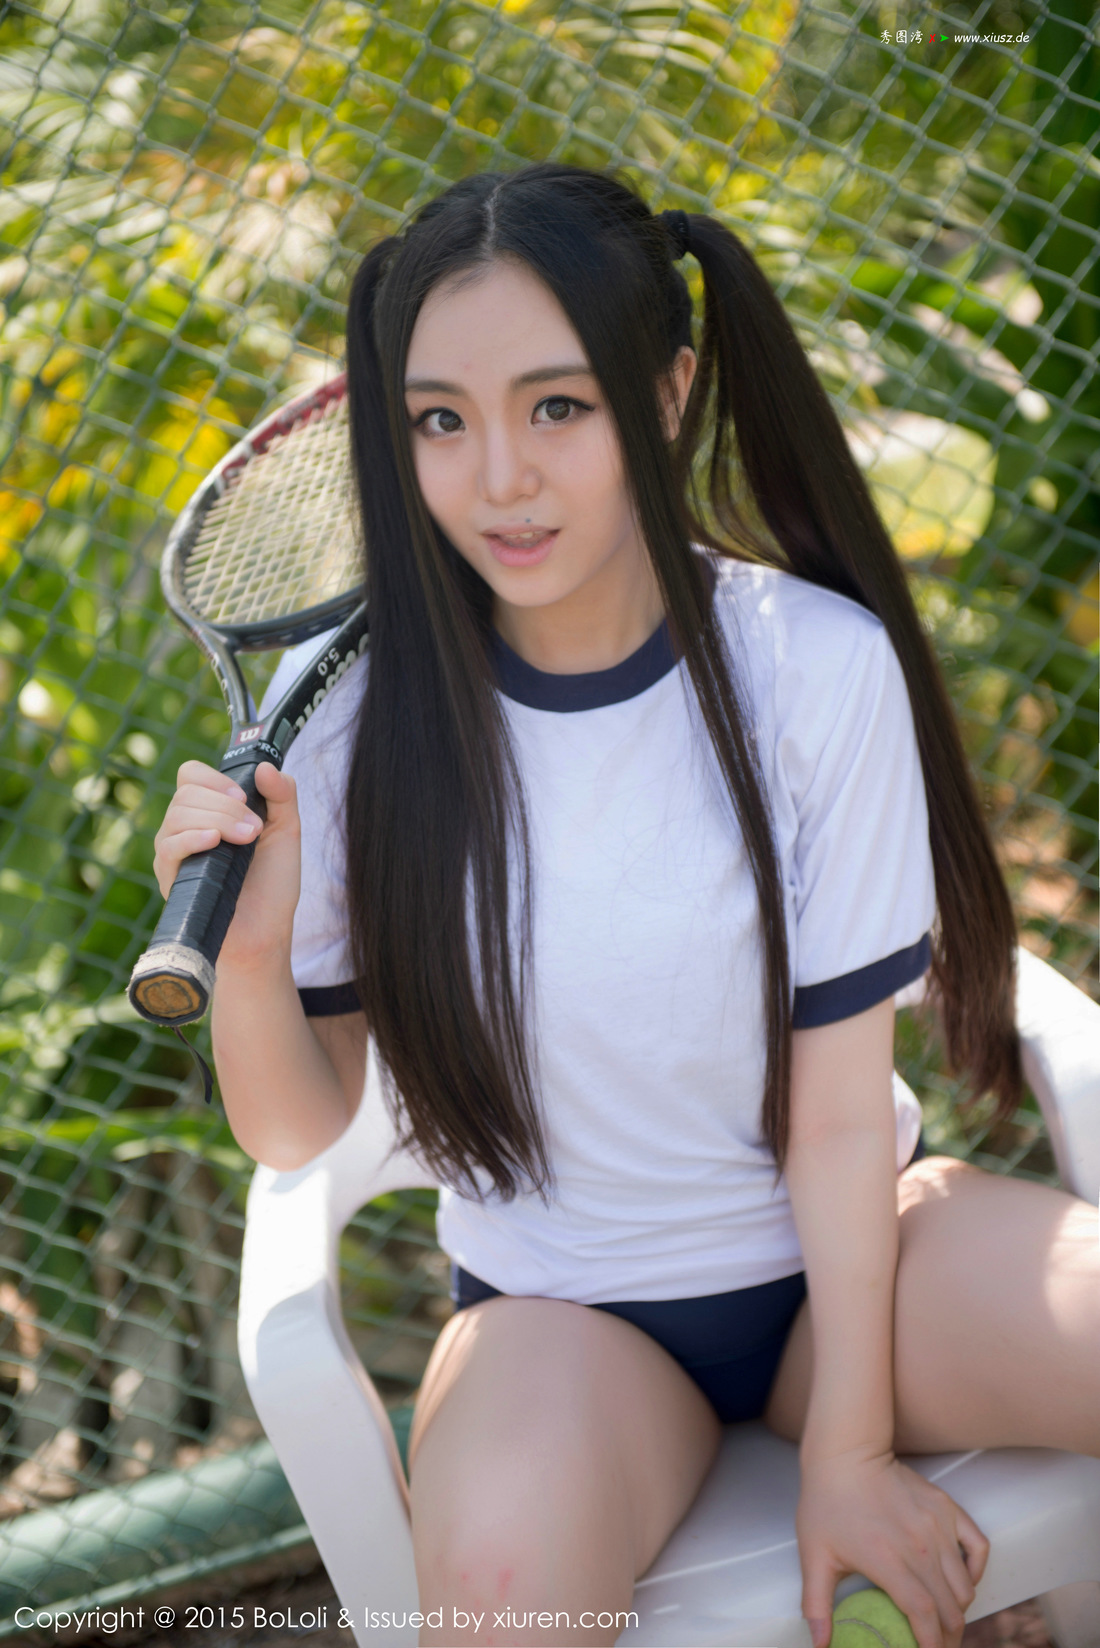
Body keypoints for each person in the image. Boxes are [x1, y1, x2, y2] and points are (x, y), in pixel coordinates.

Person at [152, 164, 1099, 1648]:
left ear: (666, 396)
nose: (501, 479)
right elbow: (293, 1132)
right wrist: (255, 951)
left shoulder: (813, 667)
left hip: (864, 1263)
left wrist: (849, 1455)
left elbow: (839, 1120)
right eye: (441, 422)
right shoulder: (341, 725)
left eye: (558, 407)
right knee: (501, 1610)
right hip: (563, 1325)